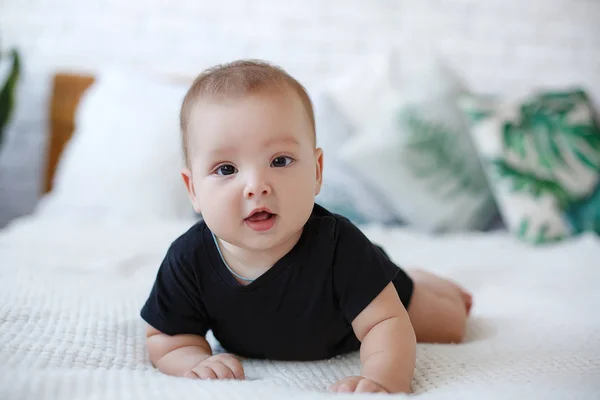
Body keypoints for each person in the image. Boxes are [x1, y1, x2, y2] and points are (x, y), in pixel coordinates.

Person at [140, 59, 473, 394]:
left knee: (450, 326)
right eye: (226, 169)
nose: (256, 186)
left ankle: (416, 280)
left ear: (316, 172)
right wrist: (193, 362)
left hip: (369, 290)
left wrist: (382, 380)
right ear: (193, 189)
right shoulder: (188, 259)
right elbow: (168, 338)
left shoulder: (340, 247)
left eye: (279, 161)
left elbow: (385, 324)